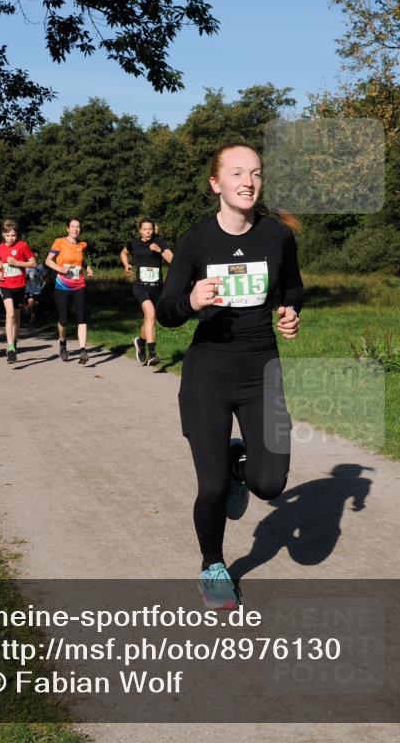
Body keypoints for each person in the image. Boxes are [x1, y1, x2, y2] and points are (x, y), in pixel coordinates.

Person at [156, 142, 303, 610]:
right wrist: (192, 303)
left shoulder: (276, 236)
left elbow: (293, 286)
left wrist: (290, 311)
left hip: (262, 370)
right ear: (216, 184)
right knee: (212, 486)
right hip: (208, 375)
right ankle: (212, 564)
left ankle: (244, 466)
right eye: (238, 173)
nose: (249, 182)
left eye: (256, 174)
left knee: (271, 484)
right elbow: (166, 313)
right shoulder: (196, 241)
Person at [120, 219, 174, 367]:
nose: (148, 232)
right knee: (150, 314)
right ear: (140, 230)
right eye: (145, 229)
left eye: (150, 229)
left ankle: (141, 341)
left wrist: (160, 251)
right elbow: (124, 253)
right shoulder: (133, 243)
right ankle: (153, 354)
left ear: (153, 229)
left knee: (149, 318)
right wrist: (127, 265)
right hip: (140, 286)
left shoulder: (160, 242)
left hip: (157, 287)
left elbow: (173, 260)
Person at [45, 218, 93, 365]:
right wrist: (59, 268)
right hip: (62, 286)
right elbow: (48, 260)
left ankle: (83, 350)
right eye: (73, 227)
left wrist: (88, 267)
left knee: (81, 317)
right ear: (67, 228)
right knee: (63, 320)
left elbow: (80, 260)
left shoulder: (82, 245)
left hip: (79, 284)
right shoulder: (59, 242)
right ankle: (62, 342)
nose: (75, 229)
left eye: (78, 227)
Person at [0, 219, 36, 364]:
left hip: (19, 286)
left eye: (13, 235)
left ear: (17, 234)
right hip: (5, 284)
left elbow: (33, 263)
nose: (11, 238)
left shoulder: (22, 246)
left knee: (17, 317)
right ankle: (10, 348)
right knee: (10, 314)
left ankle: (15, 338)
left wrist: (17, 263)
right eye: (8, 236)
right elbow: (0, 264)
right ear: (3, 235)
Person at [22, 251, 46, 326]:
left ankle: (31, 320)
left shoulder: (40, 266)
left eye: (37, 257)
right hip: (28, 289)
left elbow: (44, 277)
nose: (35, 258)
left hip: (38, 289)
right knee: (31, 303)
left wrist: (43, 285)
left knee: (35, 305)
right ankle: (27, 317)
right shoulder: (26, 267)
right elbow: (22, 277)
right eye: (34, 257)